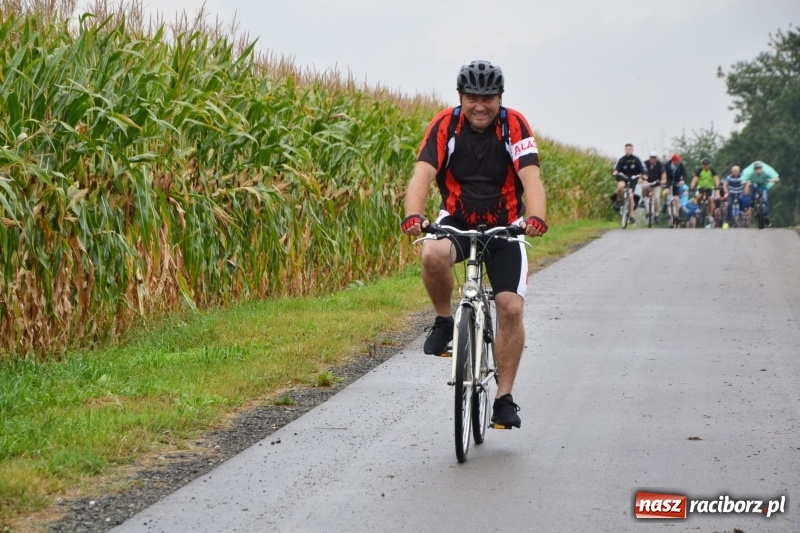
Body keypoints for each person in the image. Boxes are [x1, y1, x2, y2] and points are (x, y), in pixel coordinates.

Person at [401, 60, 547, 429]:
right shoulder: (445, 124)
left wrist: (536, 217)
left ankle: (504, 399)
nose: (480, 105)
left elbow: (531, 176)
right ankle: (445, 321)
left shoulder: (513, 124)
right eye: (472, 98)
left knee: (509, 307)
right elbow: (423, 173)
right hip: (457, 216)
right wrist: (413, 213)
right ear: (460, 98)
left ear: (499, 98)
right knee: (432, 252)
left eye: (488, 98)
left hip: (505, 224)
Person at [612, 143, 645, 224]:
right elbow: (615, 168)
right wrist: (615, 172)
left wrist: (644, 175)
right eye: (627, 149)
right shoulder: (621, 160)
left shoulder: (636, 159)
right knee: (620, 186)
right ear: (625, 150)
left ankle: (631, 215)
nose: (628, 151)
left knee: (630, 195)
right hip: (623, 177)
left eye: (630, 149)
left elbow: (643, 169)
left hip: (633, 178)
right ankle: (619, 200)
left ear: (632, 150)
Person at [741, 160, 780, 226]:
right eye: (756, 169)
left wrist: (773, 180)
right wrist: (745, 182)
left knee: (765, 199)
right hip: (754, 183)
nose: (758, 170)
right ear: (753, 169)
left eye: (759, 168)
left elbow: (776, 178)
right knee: (754, 186)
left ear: (762, 168)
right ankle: (753, 202)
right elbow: (742, 180)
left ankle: (766, 216)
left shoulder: (767, 170)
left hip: (764, 184)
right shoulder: (748, 172)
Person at [689, 157, 720, 227]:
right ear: (702, 165)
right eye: (704, 164)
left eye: (707, 164)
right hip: (701, 187)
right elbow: (695, 179)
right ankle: (700, 208)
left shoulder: (712, 171)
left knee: (710, 199)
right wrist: (692, 186)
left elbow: (716, 179)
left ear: (709, 165)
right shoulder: (700, 170)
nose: (706, 166)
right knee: (698, 196)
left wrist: (717, 185)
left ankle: (710, 215)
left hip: (710, 188)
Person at [643, 150, 666, 223]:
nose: (653, 159)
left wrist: (663, 180)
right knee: (644, 186)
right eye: (651, 157)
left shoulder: (660, 165)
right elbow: (641, 172)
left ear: (656, 158)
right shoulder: (645, 163)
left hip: (656, 183)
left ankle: (656, 215)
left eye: (654, 157)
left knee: (656, 198)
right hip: (647, 181)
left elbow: (663, 173)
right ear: (649, 157)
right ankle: (643, 201)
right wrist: (641, 178)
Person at [663, 153, 687, 220]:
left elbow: (685, 174)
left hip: (676, 183)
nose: (679, 162)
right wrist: (663, 181)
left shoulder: (681, 166)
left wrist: (683, 181)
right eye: (678, 161)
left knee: (676, 199)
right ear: (673, 161)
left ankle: (677, 215)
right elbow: (663, 173)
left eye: (679, 160)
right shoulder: (666, 165)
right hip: (668, 182)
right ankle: (665, 205)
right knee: (666, 192)